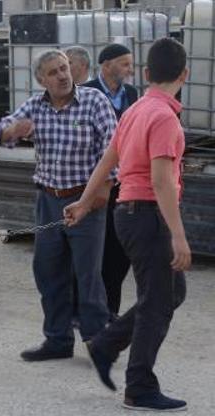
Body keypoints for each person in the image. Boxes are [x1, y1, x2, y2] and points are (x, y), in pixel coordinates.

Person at [65, 37, 190, 412]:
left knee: (170, 294)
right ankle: (139, 386)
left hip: (127, 213)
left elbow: (107, 161)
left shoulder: (135, 109)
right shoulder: (165, 118)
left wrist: (85, 203)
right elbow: (162, 180)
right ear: (185, 74)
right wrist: (180, 236)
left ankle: (105, 344)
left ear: (148, 74)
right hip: (149, 216)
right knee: (157, 304)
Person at [0, 50, 117, 362]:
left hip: (84, 201)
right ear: (41, 80)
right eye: (53, 72)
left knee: (87, 275)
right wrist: (12, 131)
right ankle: (58, 339)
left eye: (64, 68)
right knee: (48, 271)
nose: (62, 75)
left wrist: (101, 191)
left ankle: (98, 342)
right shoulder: (35, 105)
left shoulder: (94, 102)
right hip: (48, 201)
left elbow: (114, 149)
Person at [83, 43, 139, 318]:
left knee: (118, 253)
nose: (131, 70)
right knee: (94, 254)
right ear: (106, 65)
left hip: (124, 185)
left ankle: (110, 314)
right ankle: (89, 314)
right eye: (125, 64)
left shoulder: (131, 94)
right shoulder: (87, 93)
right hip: (94, 184)